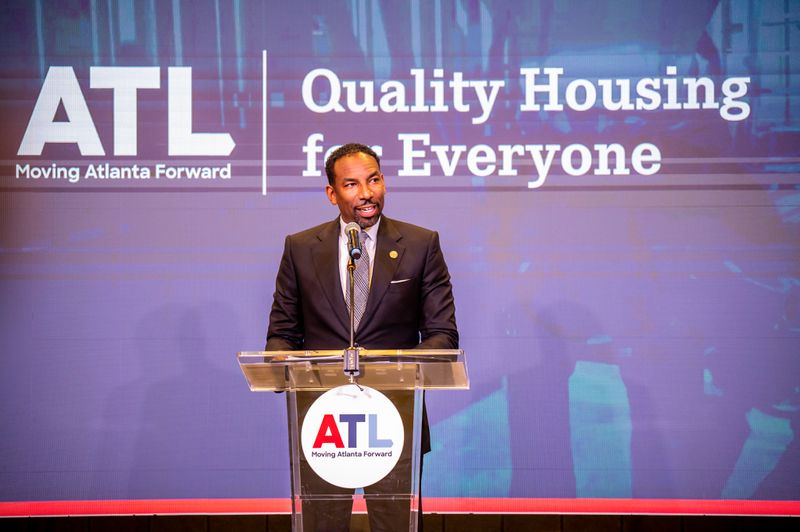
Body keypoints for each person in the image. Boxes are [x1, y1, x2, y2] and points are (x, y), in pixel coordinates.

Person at [265, 142, 458, 531]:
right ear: (332, 194)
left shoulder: (420, 245)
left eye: (373, 180)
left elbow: (442, 336)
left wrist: (393, 368)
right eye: (351, 185)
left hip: (393, 418)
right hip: (323, 422)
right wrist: (279, 366)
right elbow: (282, 334)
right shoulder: (301, 248)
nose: (366, 193)